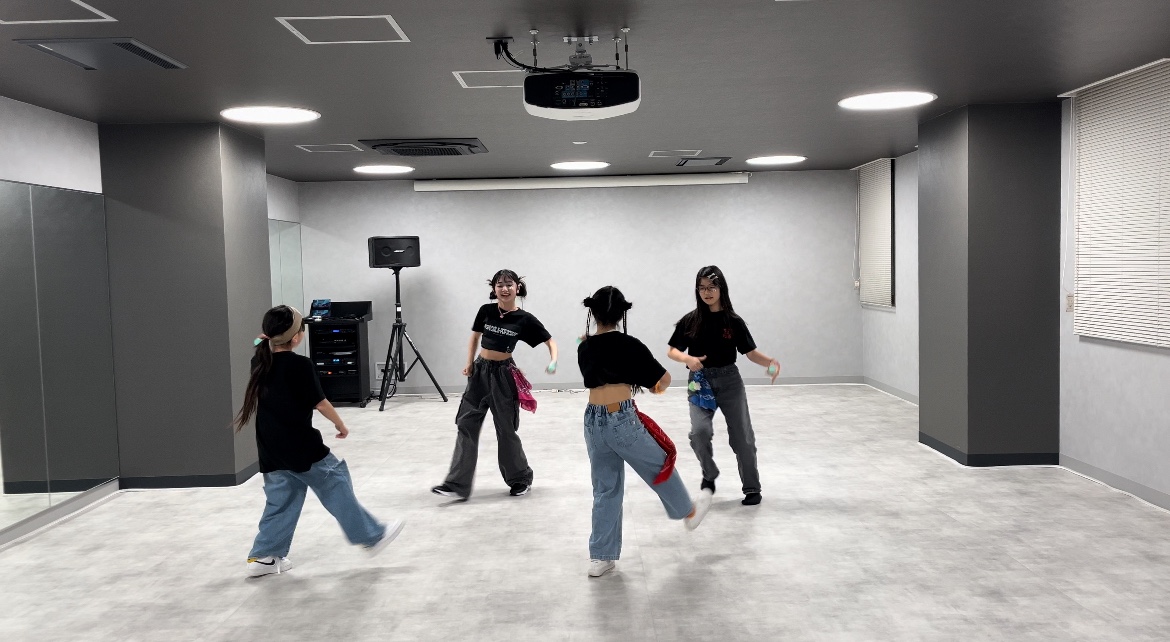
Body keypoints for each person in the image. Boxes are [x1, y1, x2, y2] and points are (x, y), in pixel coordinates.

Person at [233, 305, 404, 577]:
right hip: (301, 446)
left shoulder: (260, 362)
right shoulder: (301, 365)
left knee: (281, 500)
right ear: (296, 338)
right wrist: (340, 424)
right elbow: (320, 403)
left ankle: (264, 556)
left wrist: (263, 338)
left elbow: (259, 343)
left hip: (270, 446)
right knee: (336, 483)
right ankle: (371, 536)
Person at [578, 286, 712, 578]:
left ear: (593, 313)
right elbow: (663, 380)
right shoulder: (629, 345)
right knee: (659, 465)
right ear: (621, 314)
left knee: (606, 488)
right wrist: (653, 388)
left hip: (593, 421)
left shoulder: (584, 347)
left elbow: (598, 373)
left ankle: (601, 557)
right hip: (621, 419)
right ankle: (688, 512)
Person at [432, 269, 558, 500]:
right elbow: (475, 337)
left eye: (509, 284)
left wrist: (553, 360)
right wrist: (469, 363)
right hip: (480, 372)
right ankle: (456, 484)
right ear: (494, 289)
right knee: (466, 423)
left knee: (506, 429)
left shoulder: (524, 319)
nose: (504, 289)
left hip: (503, 375)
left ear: (518, 287)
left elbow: (550, 341)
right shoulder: (486, 310)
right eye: (500, 285)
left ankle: (520, 479)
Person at [667, 266, 780, 506]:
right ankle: (709, 473)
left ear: (721, 289)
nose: (706, 292)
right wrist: (687, 358)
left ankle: (752, 488)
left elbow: (750, 352)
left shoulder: (733, 321)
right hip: (699, 383)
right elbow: (672, 351)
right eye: (702, 288)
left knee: (742, 438)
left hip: (730, 382)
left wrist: (769, 362)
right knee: (699, 433)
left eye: (711, 287)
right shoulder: (690, 320)